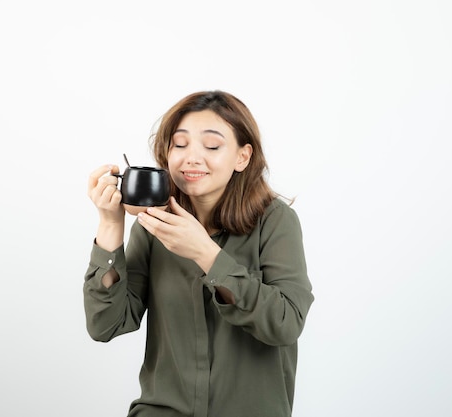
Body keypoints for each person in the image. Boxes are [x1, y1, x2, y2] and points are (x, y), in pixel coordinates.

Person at [84, 90, 314, 417]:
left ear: (242, 157)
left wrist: (206, 254)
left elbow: (285, 323)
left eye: (212, 146)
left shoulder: (275, 222)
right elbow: (106, 325)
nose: (191, 158)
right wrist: (110, 225)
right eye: (179, 145)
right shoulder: (153, 227)